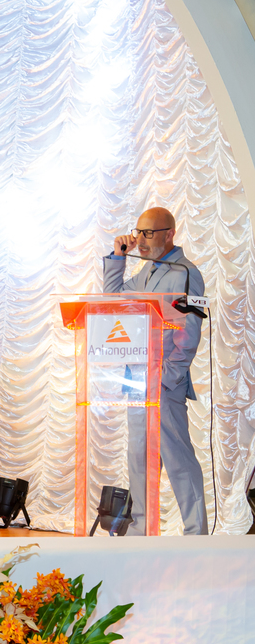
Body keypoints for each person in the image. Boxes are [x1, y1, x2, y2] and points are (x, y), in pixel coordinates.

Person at [104, 206, 207, 535]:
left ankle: (196, 533)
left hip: (163, 384)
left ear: (170, 234)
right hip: (137, 382)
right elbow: (113, 299)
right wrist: (119, 258)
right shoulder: (145, 272)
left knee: (178, 461)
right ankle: (142, 532)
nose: (141, 240)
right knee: (140, 460)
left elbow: (189, 334)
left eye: (149, 233)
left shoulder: (185, 273)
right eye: (138, 232)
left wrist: (168, 378)